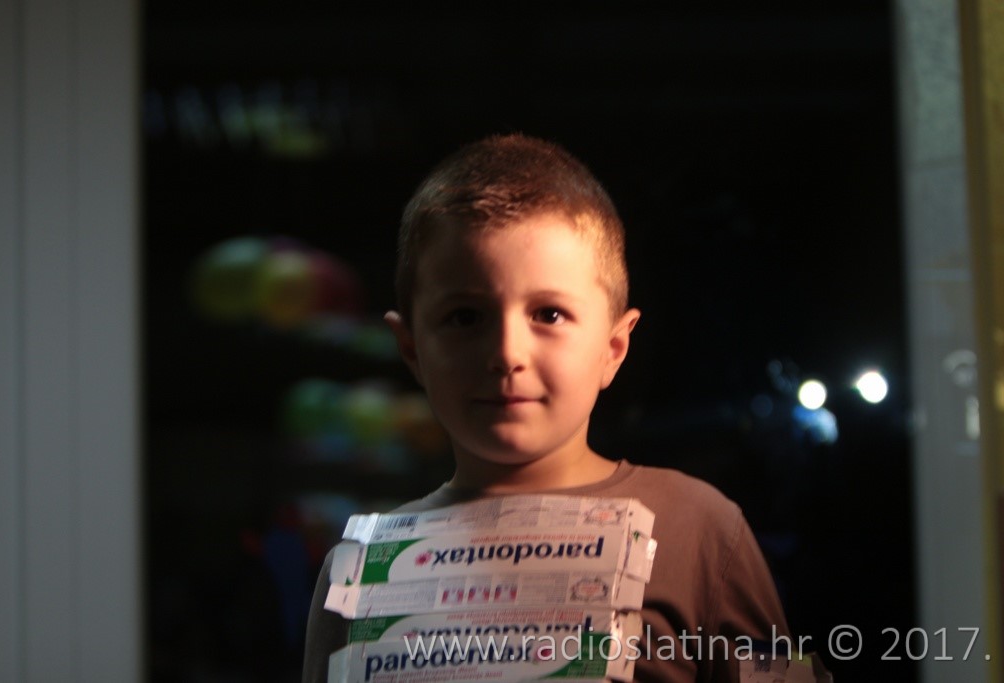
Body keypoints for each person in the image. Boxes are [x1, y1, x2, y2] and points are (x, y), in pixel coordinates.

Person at [303, 133, 791, 682]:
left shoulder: (699, 532)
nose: (507, 353)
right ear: (412, 349)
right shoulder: (357, 570)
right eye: (465, 317)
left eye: (549, 315)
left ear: (614, 348)